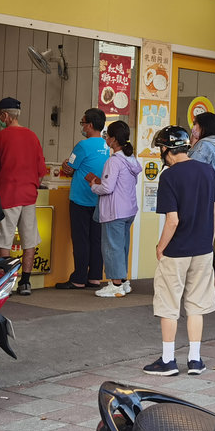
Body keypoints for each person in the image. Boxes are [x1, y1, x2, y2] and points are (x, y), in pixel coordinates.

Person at [144, 125, 215, 377]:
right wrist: (206, 241)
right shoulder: (208, 172)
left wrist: (160, 247)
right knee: (196, 306)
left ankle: (168, 360)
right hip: (202, 250)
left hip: (176, 251)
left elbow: (173, 220)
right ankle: (196, 360)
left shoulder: (169, 176)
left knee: (169, 305)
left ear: (166, 149)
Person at [0, 97, 47, 296]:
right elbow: (41, 170)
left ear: (5, 116)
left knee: (4, 240)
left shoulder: (1, 137)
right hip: (29, 196)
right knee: (29, 240)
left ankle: (5, 283)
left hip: (8, 196)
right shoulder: (32, 136)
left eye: (0, 116)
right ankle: (26, 283)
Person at [86, 121, 142, 298]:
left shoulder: (114, 161)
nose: (106, 139)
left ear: (114, 140)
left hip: (114, 211)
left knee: (111, 248)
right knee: (122, 246)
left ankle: (115, 284)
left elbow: (107, 188)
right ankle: (123, 282)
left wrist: (94, 185)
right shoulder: (131, 160)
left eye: (107, 136)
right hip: (129, 210)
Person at [56, 108, 108, 290]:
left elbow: (69, 168)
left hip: (81, 199)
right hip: (100, 199)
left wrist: (65, 164)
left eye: (83, 123)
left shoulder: (83, 146)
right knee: (96, 239)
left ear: (90, 125)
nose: (82, 126)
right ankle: (94, 277)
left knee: (81, 239)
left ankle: (78, 278)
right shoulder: (107, 145)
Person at [189, 112, 215, 296]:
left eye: (195, 124)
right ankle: (214, 281)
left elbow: (188, 168)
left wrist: (191, 147)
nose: (193, 127)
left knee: (197, 239)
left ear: (204, 126)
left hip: (198, 198)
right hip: (212, 196)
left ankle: (202, 282)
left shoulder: (204, 145)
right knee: (206, 239)